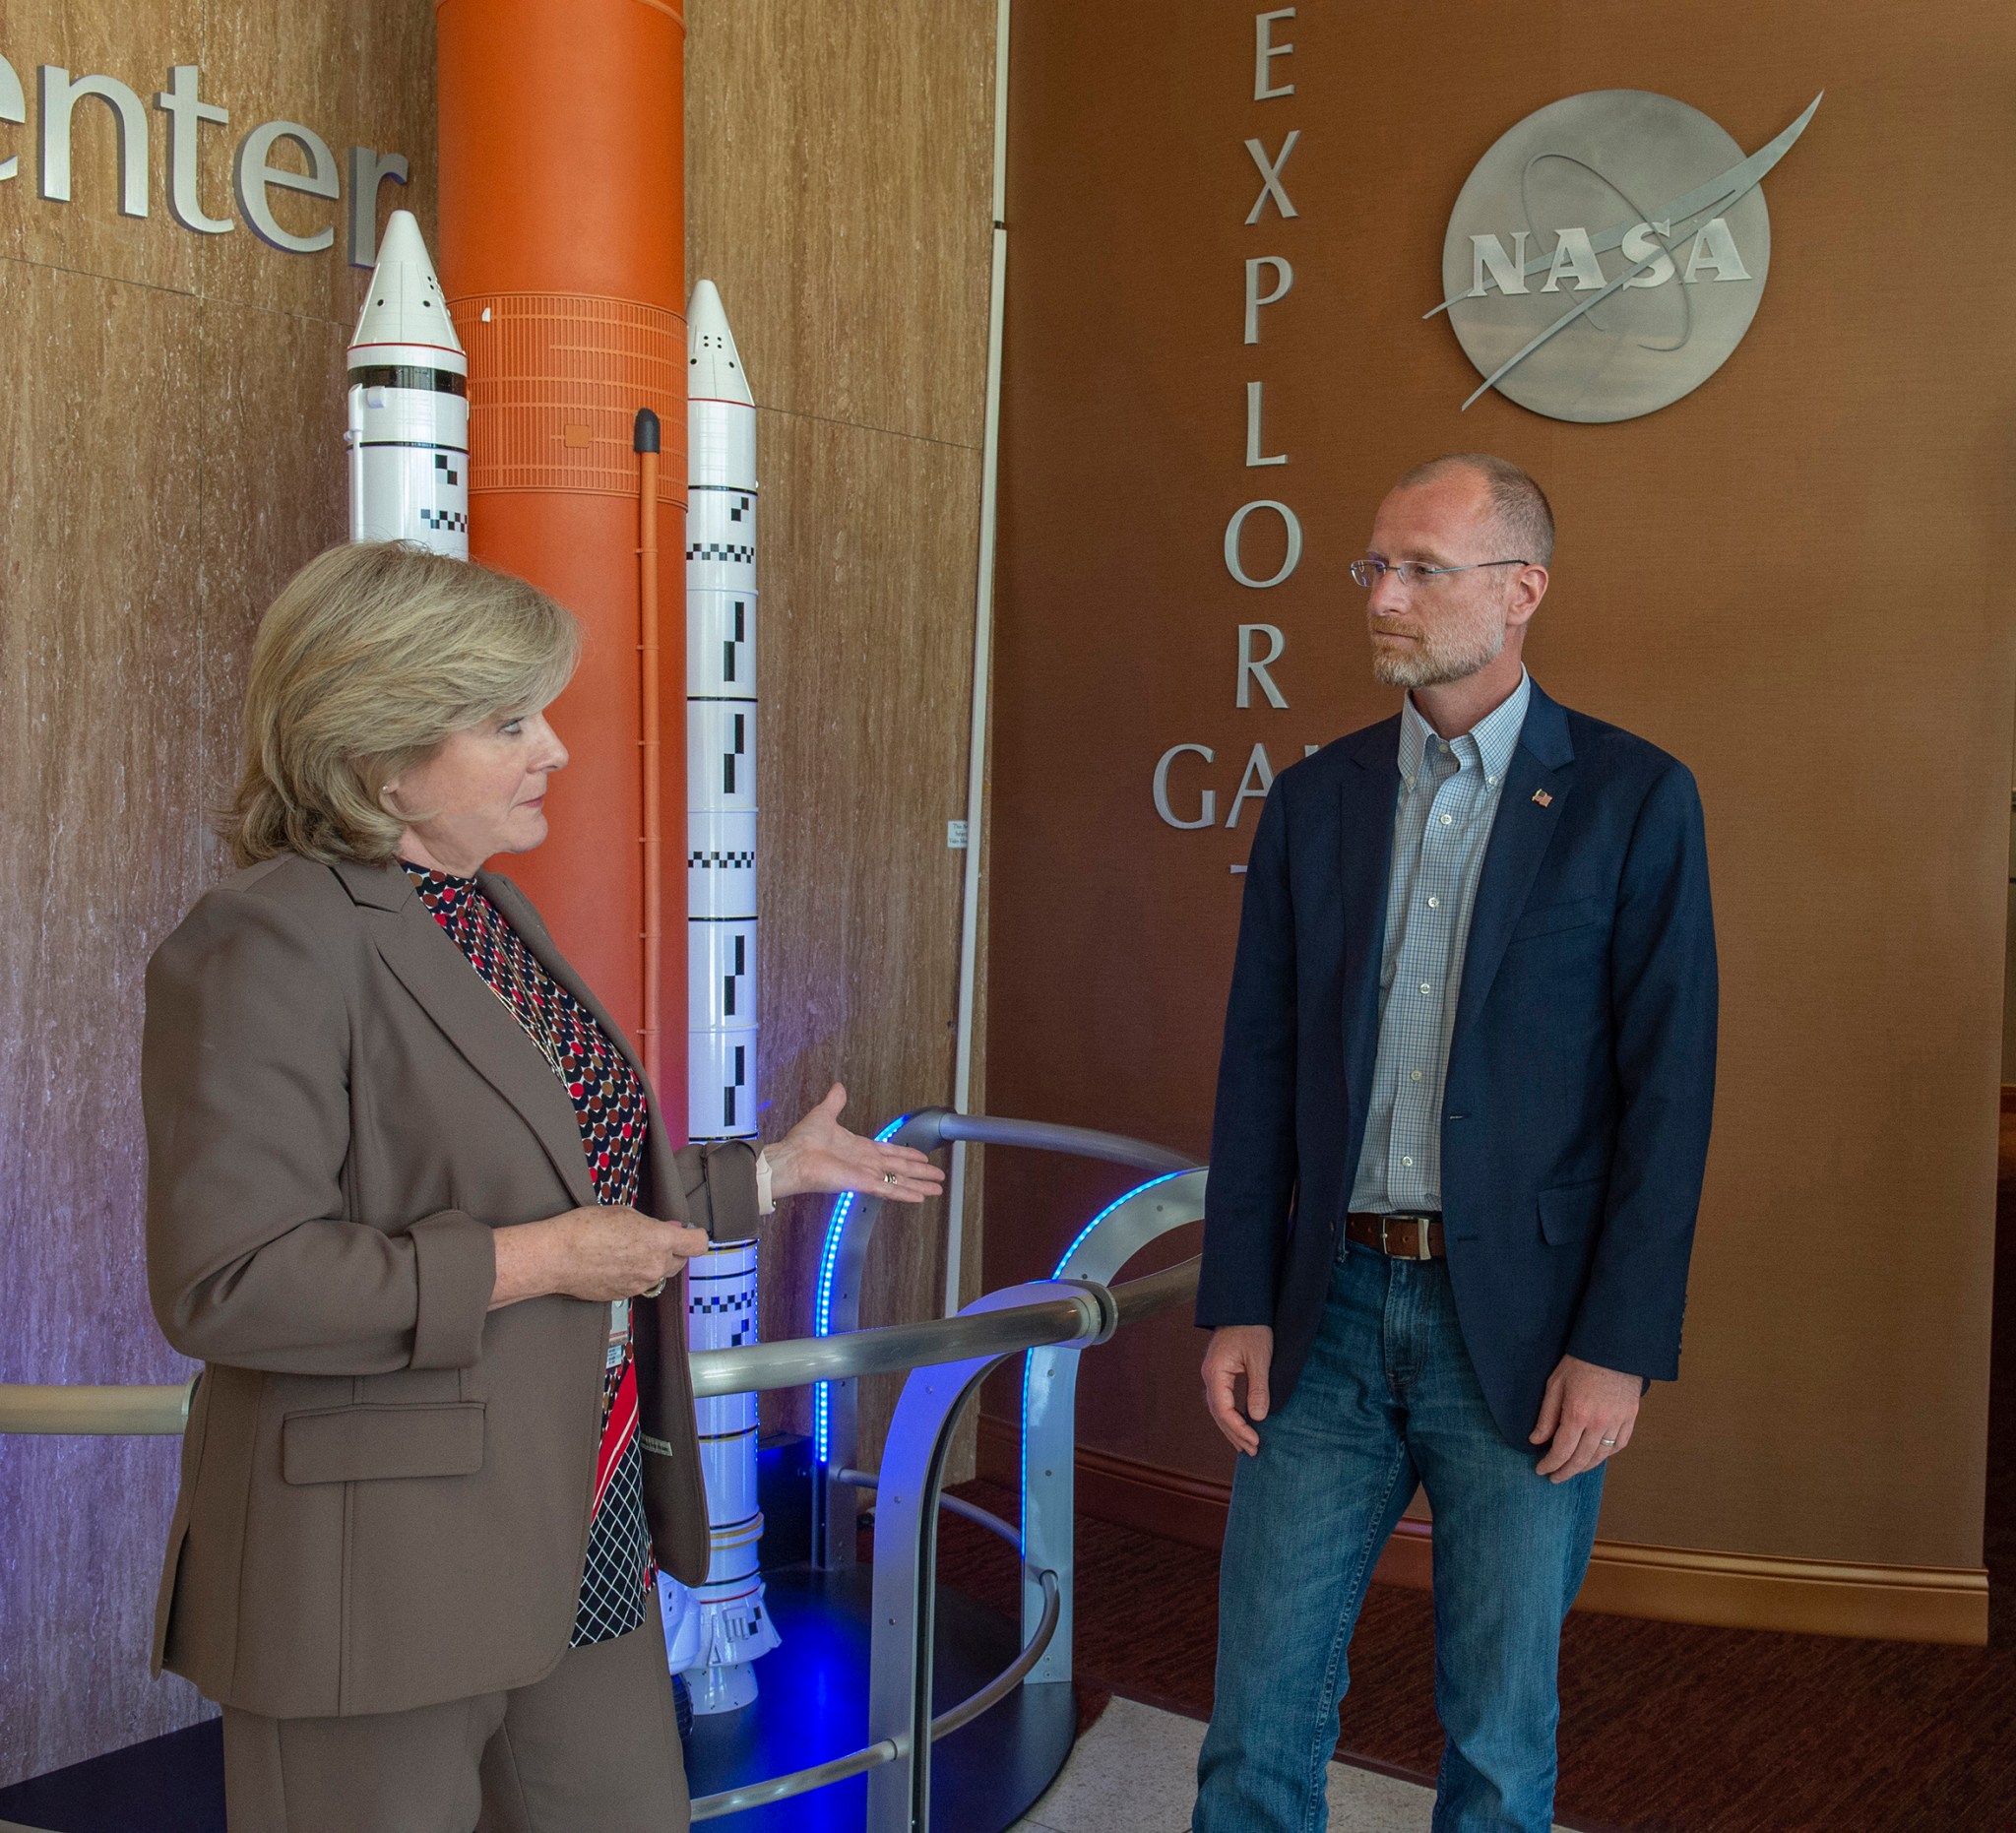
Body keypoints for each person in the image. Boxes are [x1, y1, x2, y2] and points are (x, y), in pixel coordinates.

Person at [142, 541, 944, 1833]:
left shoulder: (487, 912)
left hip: (577, 1527)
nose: (554, 748)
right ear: (374, 753)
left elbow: (559, 1171)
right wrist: (544, 1261)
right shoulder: (266, 939)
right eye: (509, 719)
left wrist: (769, 1174)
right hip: (374, 1572)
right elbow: (231, 1279)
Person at [1191, 455, 1717, 1833]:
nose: (1385, 594)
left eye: (1421, 567)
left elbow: (1671, 1094)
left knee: (1498, 1732)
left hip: (1531, 1334)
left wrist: (1622, 1341)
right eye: (1375, 565)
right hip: (1330, 1314)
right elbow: (1257, 1069)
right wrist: (1237, 1295)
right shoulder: (1319, 800)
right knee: (1256, 1717)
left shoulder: (1632, 798)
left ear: (1521, 590)